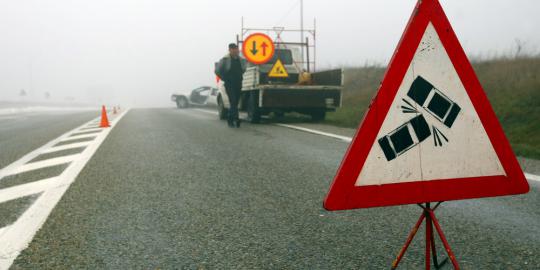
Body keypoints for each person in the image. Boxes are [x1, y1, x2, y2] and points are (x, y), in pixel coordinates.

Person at [215, 43, 246, 128]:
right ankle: (236, 119)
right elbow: (217, 70)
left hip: (238, 83)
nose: (235, 51)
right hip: (229, 83)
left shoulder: (241, 60)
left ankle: (230, 118)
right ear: (229, 50)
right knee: (232, 101)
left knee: (235, 102)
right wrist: (224, 78)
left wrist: (239, 76)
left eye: (236, 49)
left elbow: (243, 69)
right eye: (233, 49)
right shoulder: (225, 59)